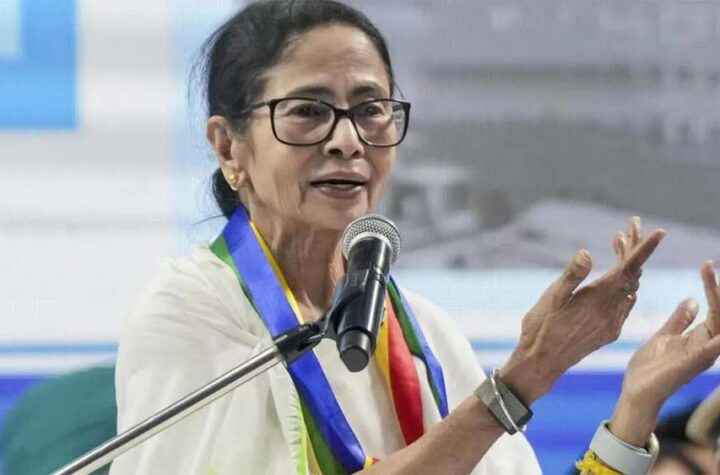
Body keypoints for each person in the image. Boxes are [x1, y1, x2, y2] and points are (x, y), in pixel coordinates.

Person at [109, 1, 720, 473]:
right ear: (227, 146)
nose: (347, 139)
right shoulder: (191, 312)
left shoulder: (426, 331)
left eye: (370, 109)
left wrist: (636, 406)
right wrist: (524, 378)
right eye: (308, 111)